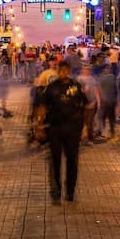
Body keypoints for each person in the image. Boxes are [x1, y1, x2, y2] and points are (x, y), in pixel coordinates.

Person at [36, 59, 88, 204]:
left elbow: (85, 105)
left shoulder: (76, 87)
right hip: (55, 128)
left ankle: (70, 191)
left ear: (69, 71)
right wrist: (39, 126)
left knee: (72, 160)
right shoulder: (52, 87)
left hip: (73, 129)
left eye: (65, 70)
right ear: (58, 71)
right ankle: (56, 191)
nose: (63, 73)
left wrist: (85, 127)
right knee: (55, 161)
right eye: (61, 70)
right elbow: (43, 106)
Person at [76, 64, 101, 144]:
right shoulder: (79, 79)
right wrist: (83, 91)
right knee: (82, 122)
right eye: (86, 69)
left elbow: (96, 90)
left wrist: (98, 101)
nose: (87, 71)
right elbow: (76, 91)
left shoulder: (92, 78)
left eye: (89, 69)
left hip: (92, 103)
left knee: (89, 122)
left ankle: (90, 139)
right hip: (83, 104)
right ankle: (81, 138)